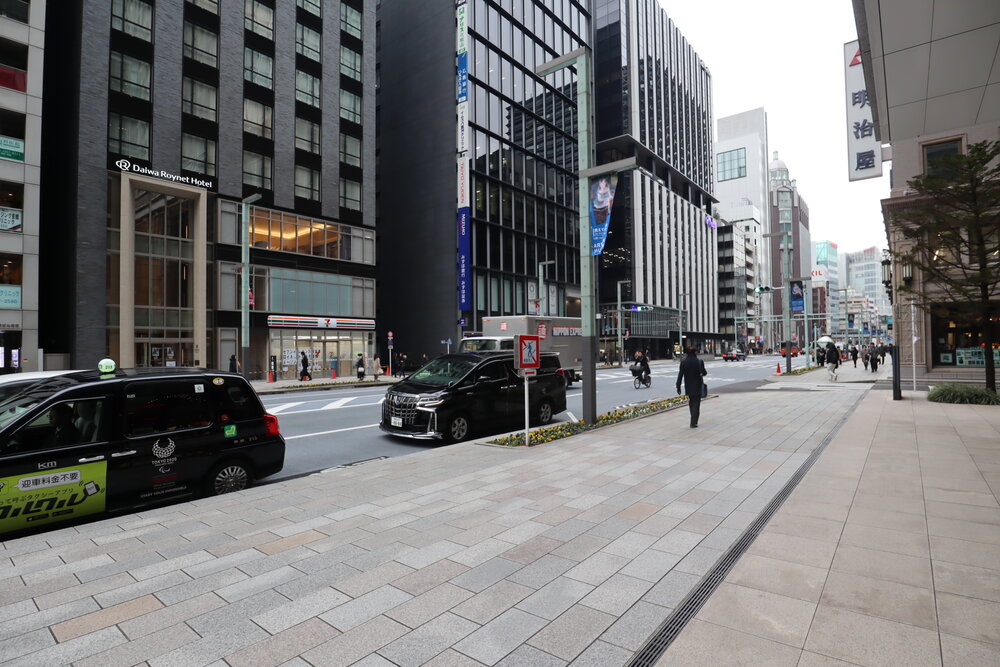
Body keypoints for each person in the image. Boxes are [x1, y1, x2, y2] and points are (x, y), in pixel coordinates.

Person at [675, 347, 707, 428]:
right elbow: (704, 373)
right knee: (696, 403)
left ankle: (693, 418)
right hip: (697, 385)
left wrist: (678, 386)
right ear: (695, 352)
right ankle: (693, 422)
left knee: (691, 402)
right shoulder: (699, 361)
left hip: (688, 386)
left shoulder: (683, 362)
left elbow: (680, 375)